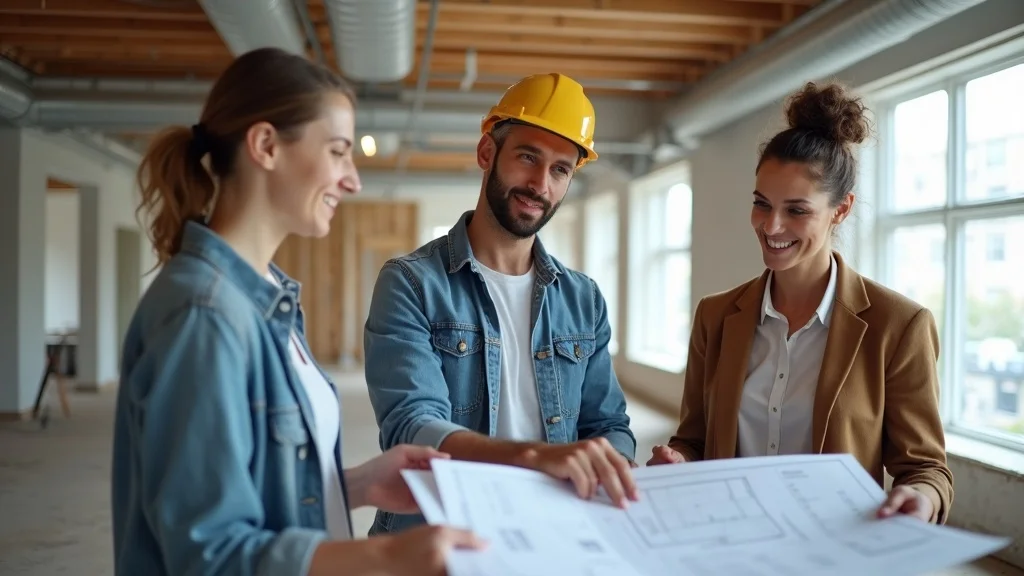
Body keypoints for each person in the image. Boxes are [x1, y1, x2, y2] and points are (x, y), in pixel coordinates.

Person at [110, 47, 484, 576]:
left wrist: (351, 485)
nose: (353, 179)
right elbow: (205, 554)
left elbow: (250, 484)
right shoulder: (205, 313)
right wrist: (383, 555)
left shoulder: (264, 297)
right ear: (265, 145)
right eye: (337, 152)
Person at [646, 81, 954, 525]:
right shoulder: (715, 316)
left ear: (841, 210)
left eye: (796, 210)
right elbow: (694, 440)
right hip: (729, 539)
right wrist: (679, 461)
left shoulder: (899, 326)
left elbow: (925, 468)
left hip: (833, 549)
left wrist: (921, 500)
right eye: (761, 203)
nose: (771, 226)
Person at [363, 73, 638, 536]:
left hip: (551, 534)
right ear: (487, 153)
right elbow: (412, 426)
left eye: (559, 169)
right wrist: (533, 457)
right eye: (528, 157)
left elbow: (608, 424)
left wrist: (612, 462)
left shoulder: (583, 299)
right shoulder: (410, 282)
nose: (540, 184)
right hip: (437, 537)